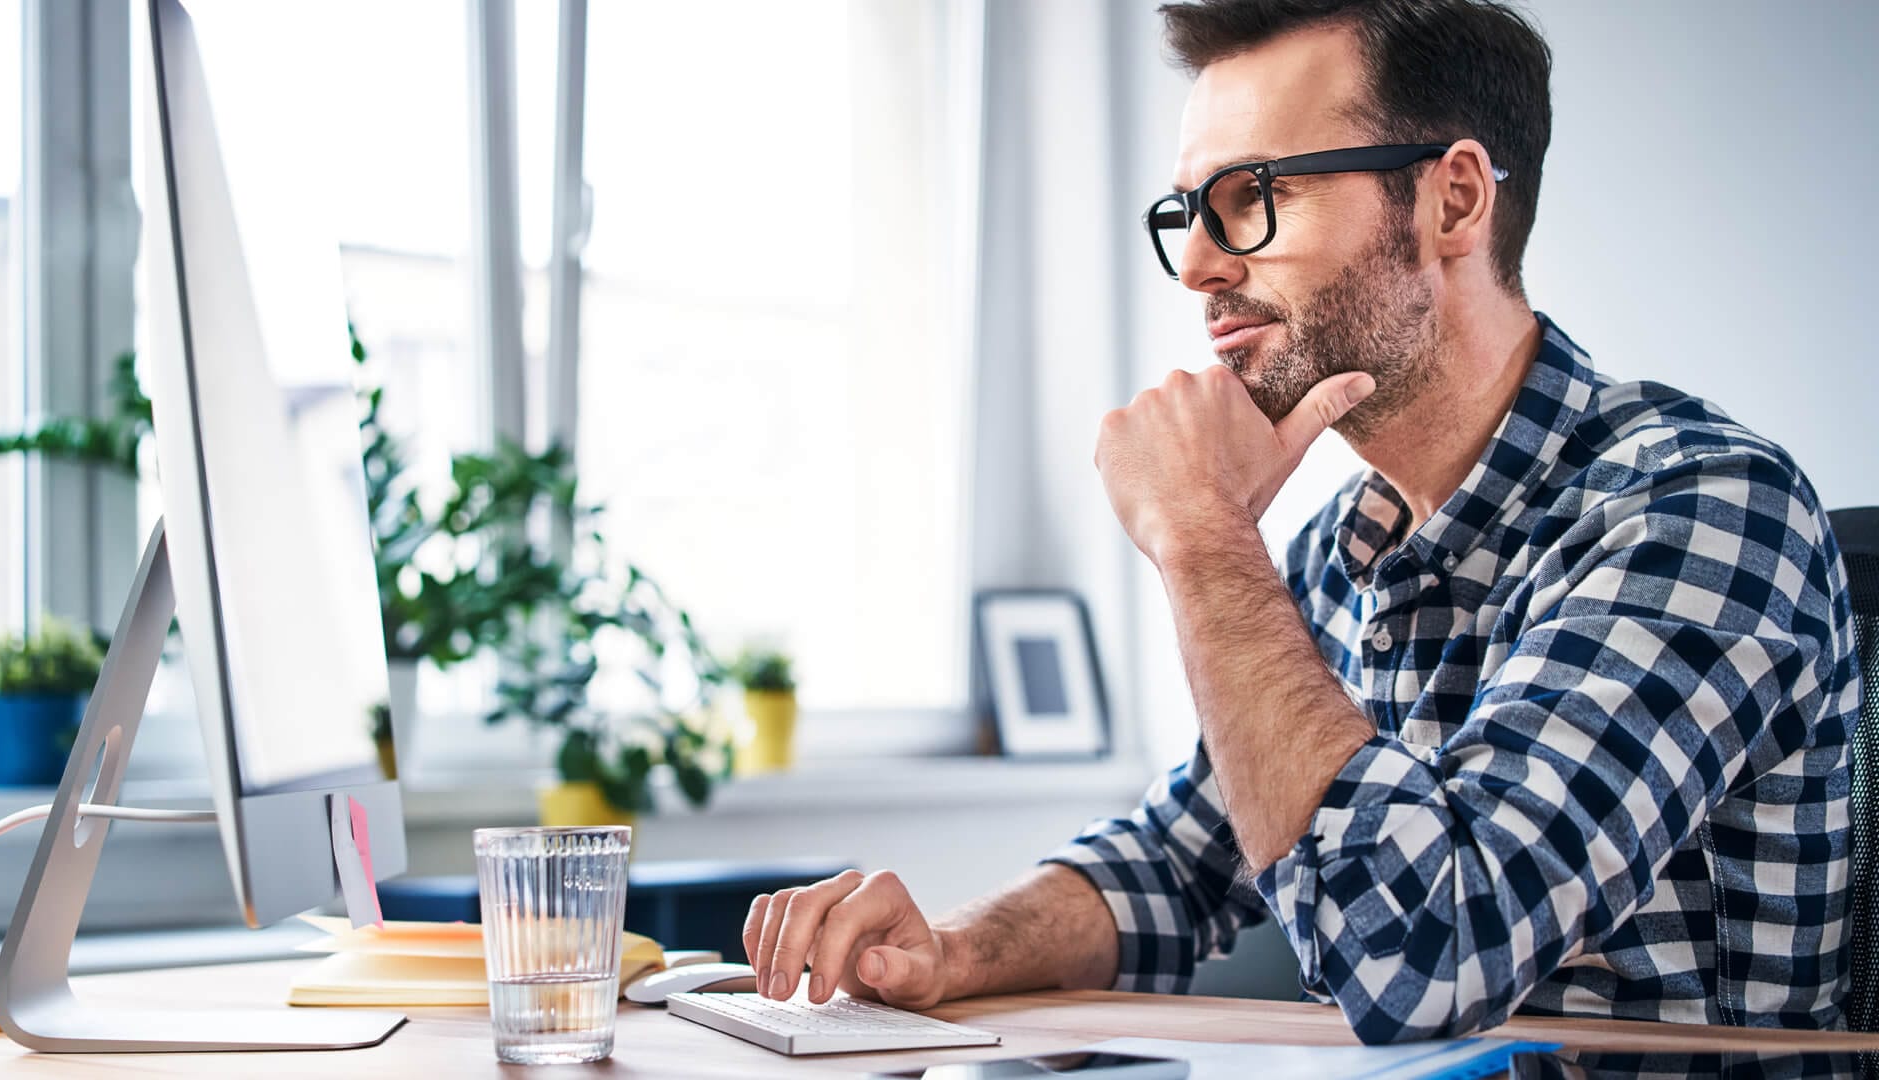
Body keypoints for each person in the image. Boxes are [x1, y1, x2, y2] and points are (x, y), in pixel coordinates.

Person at [742, 0, 1862, 1042]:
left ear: (1453, 199)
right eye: (1189, 210)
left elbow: (1427, 954)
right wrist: (951, 950)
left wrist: (1198, 531)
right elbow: (1175, 865)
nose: (1196, 265)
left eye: (1253, 196)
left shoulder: (1699, 510)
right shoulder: (1344, 549)